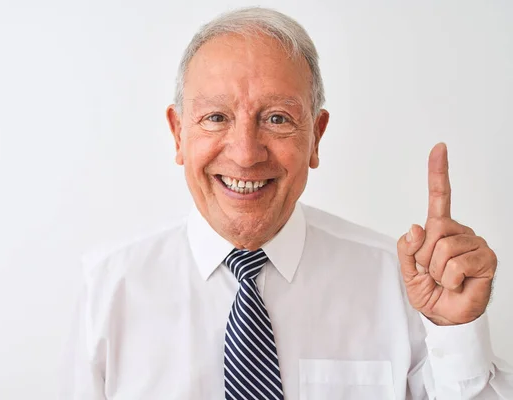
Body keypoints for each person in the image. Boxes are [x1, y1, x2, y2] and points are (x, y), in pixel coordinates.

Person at [60, 7, 513, 399]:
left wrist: (456, 331)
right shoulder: (107, 290)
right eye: (216, 117)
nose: (244, 153)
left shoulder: (402, 287)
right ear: (179, 133)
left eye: (277, 119)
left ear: (316, 136)